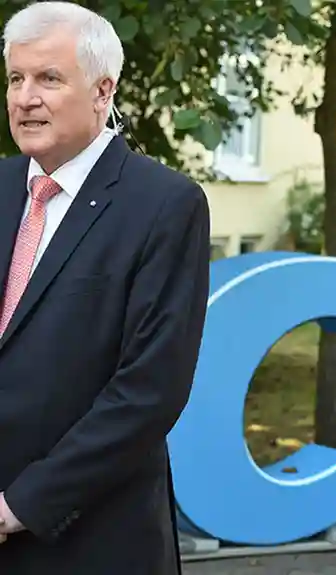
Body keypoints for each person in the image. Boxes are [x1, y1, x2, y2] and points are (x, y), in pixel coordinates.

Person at [0, 2, 210, 573]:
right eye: (16, 79)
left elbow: (149, 390)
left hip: (89, 539)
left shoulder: (165, 205)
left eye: (48, 79)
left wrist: (18, 507)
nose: (24, 98)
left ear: (102, 91)